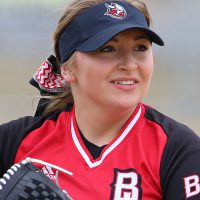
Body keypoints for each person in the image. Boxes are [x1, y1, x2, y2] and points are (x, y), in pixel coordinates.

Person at [0, 0, 200, 199]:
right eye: (107, 49)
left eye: (140, 48)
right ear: (67, 69)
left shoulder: (178, 150)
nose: (130, 64)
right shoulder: (14, 141)